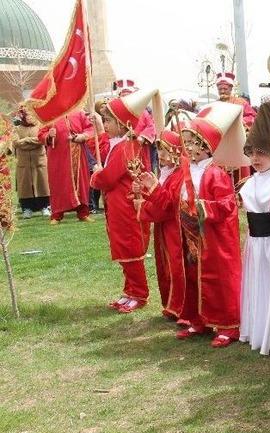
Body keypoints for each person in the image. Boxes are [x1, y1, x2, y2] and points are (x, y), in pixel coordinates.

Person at [171, 102, 246, 347]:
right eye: (188, 142)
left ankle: (228, 324)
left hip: (213, 236)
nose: (189, 147)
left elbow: (227, 205)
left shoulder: (215, 173)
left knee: (218, 278)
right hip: (191, 231)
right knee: (193, 275)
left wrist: (202, 208)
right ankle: (197, 318)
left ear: (205, 146)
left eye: (194, 142)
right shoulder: (187, 169)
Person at [90, 89, 155, 314]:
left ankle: (139, 293)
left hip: (127, 208)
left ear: (122, 123)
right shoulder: (119, 144)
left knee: (131, 251)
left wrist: (97, 174)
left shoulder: (125, 147)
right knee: (123, 251)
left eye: (108, 121)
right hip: (118, 207)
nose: (105, 125)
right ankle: (129, 290)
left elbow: (108, 178)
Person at [237, 102, 270, 355]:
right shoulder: (252, 180)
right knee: (258, 284)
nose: (255, 158)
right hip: (256, 243)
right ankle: (256, 327)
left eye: (262, 152)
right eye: (252, 152)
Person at [134, 130, 186, 323]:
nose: (161, 156)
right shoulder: (166, 173)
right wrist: (145, 194)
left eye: (165, 151)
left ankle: (181, 307)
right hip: (164, 229)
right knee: (164, 266)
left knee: (176, 267)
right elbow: (159, 200)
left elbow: (167, 206)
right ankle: (171, 305)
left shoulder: (179, 175)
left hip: (174, 229)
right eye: (159, 150)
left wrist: (152, 189)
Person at [39, 109, 94, 224]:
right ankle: (56, 215)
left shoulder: (79, 112)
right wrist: (48, 135)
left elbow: (90, 128)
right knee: (58, 183)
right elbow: (40, 134)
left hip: (78, 154)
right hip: (57, 157)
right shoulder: (49, 113)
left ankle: (83, 212)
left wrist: (82, 136)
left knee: (81, 183)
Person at [10, 107, 50, 217]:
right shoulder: (17, 128)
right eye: (27, 115)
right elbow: (16, 143)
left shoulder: (40, 126)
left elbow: (41, 140)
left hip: (39, 161)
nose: (29, 117)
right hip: (23, 162)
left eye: (31, 115)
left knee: (42, 184)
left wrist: (26, 140)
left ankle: (45, 206)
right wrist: (31, 142)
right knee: (25, 186)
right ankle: (26, 208)